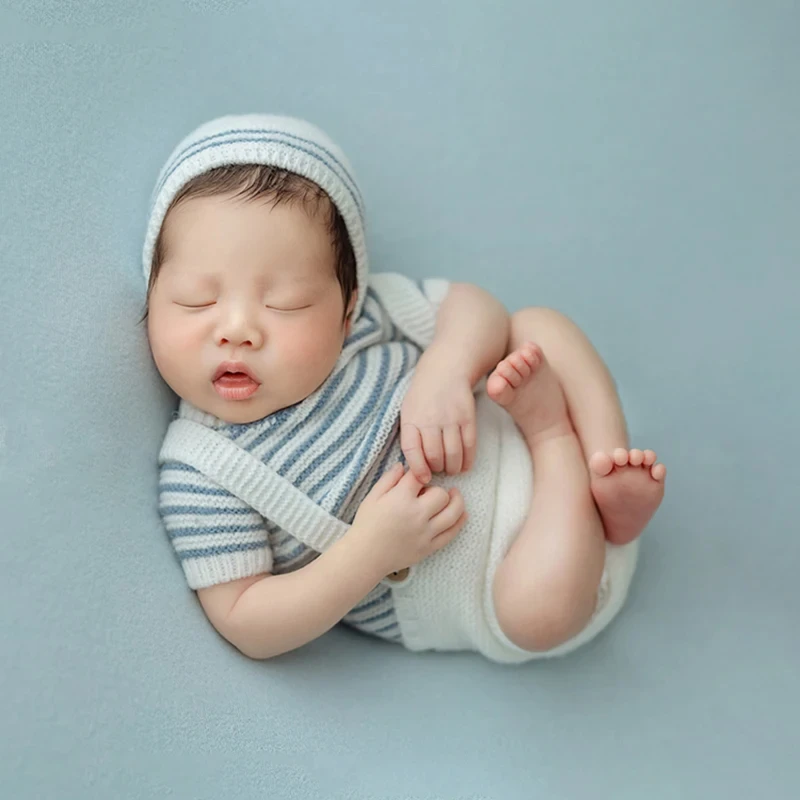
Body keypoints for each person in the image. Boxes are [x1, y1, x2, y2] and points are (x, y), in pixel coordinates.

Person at [141, 114, 666, 664]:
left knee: (538, 325)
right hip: (523, 575)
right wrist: (369, 553)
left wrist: (447, 368)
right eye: (196, 300)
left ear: (346, 310)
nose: (238, 330)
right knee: (538, 614)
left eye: (287, 303)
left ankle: (609, 468)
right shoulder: (204, 469)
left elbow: (475, 306)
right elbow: (246, 620)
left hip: (507, 425)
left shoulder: (375, 315)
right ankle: (556, 440)